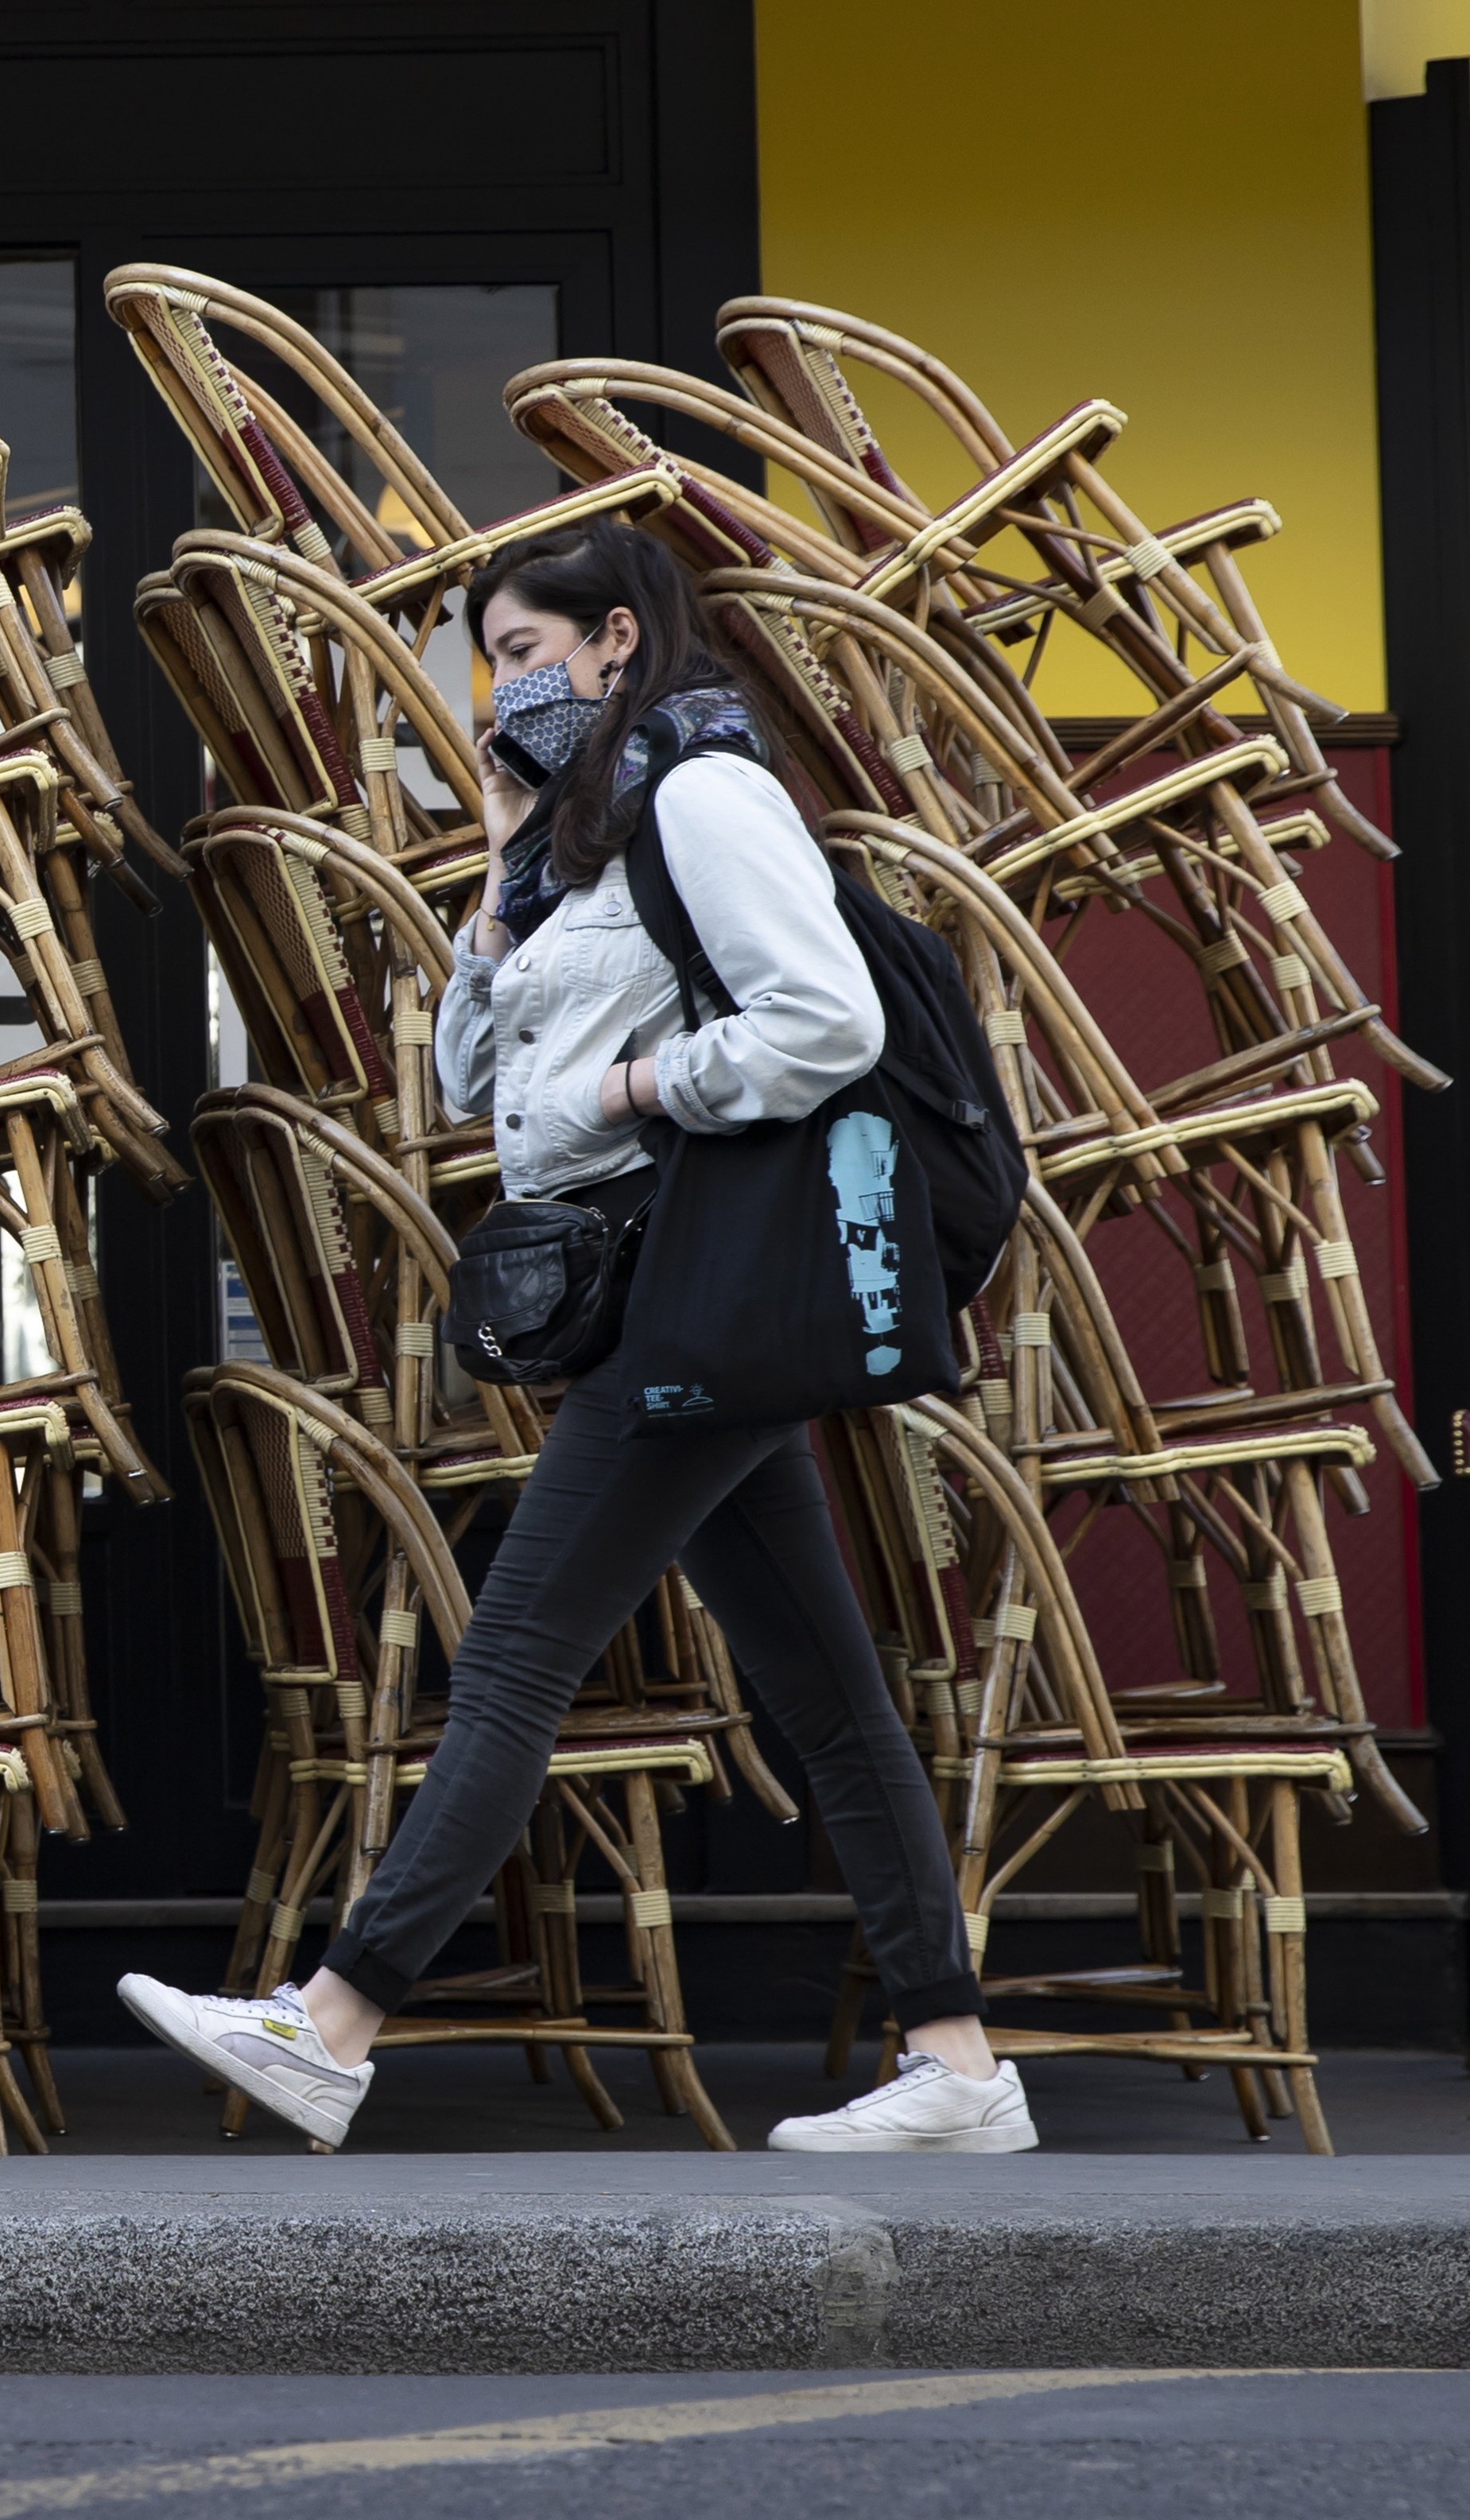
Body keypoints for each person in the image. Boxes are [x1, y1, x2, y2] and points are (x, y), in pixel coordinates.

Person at [118, 517, 1030, 2156]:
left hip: (694, 1279)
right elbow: (472, 1086)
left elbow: (829, 1019)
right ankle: (959, 2065)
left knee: (516, 1654)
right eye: (487, 662)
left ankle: (332, 2021)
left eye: (525, 652)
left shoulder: (703, 792)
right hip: (656, 1289)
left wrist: (638, 1086)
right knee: (825, 1694)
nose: (498, 687)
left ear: (619, 640)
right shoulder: (583, 839)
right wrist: (494, 864)